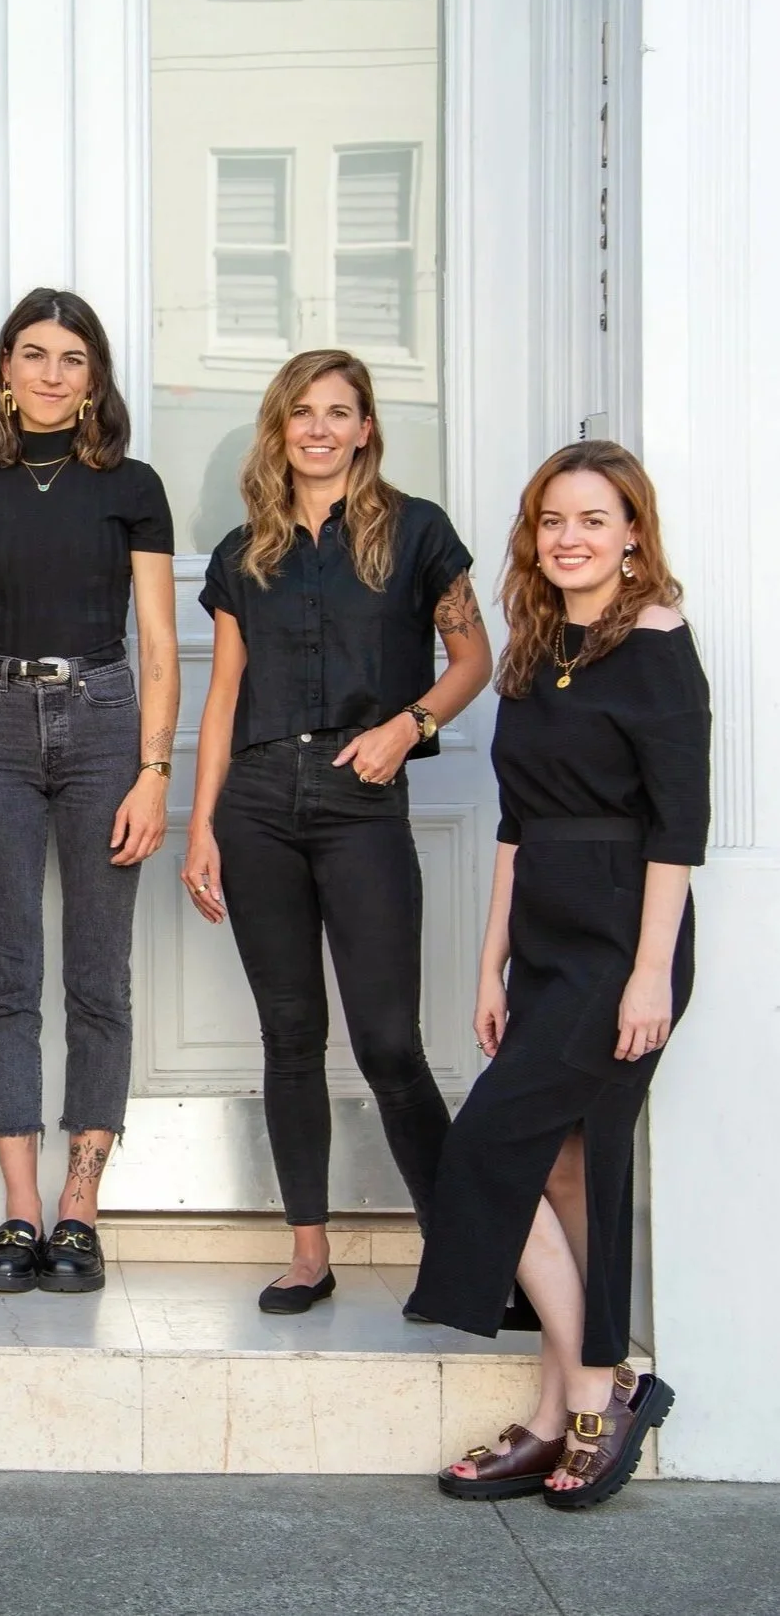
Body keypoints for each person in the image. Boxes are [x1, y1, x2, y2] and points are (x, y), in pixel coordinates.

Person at [408, 441, 705, 1509]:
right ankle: (555, 1410)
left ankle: (594, 1387)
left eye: (591, 518)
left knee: (484, 1148)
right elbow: (517, 819)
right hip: (542, 933)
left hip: (625, 931)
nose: (568, 537)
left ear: (632, 535)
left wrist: (648, 974)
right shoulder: (537, 648)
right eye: (549, 520)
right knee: (561, 1168)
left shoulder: (659, 645)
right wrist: (491, 956)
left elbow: (678, 827)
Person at [182, 349, 492, 1313]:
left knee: (389, 1042)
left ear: (365, 427)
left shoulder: (417, 533)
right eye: (300, 413)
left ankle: (462, 1255)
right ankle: (308, 1252)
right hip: (259, 801)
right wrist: (200, 828)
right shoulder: (245, 554)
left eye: (338, 412)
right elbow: (224, 694)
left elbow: (473, 655)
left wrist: (407, 726)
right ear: (280, 430)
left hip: (361, 800)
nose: (318, 428)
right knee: (288, 1034)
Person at [0, 288, 179, 1294]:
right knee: (4, 975)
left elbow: (158, 641)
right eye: (32, 354)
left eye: (71, 358)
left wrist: (156, 773)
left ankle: (80, 1206)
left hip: (105, 720)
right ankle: (17, 1211)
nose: (50, 373)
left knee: (96, 974)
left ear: (92, 379)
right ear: (4, 371)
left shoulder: (132, 487)